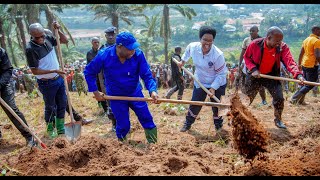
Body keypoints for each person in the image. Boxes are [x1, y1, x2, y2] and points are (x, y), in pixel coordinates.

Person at [84, 32, 159, 143]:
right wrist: (95, 92)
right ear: (119, 46)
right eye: (130, 49)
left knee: (146, 117)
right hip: (116, 96)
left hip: (135, 93)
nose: (133, 51)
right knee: (123, 124)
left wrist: (152, 91)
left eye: (134, 48)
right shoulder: (104, 55)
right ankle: (122, 147)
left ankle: (153, 144)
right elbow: (89, 72)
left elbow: (146, 75)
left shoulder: (138, 55)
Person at [243, 26, 304, 129]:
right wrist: (253, 69)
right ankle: (238, 118)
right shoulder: (255, 44)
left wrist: (298, 75)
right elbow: (247, 58)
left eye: (280, 40)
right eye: (276, 40)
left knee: (279, 98)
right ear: (268, 37)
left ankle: (278, 119)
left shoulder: (282, 47)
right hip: (255, 74)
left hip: (272, 75)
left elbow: (290, 61)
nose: (279, 43)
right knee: (246, 99)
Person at [177, 26, 228, 132]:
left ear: (213, 41)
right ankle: (188, 124)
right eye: (205, 40)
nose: (207, 43)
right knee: (195, 103)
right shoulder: (193, 47)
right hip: (200, 81)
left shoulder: (218, 55)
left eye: (210, 41)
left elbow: (222, 74)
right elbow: (187, 52)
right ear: (200, 39)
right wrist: (182, 62)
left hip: (217, 83)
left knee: (217, 106)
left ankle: (219, 126)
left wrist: (213, 88)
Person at [25, 22, 68, 138]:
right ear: (32, 36)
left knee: (62, 103)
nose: (40, 39)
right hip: (46, 82)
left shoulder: (48, 38)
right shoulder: (30, 49)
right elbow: (35, 71)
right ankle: (50, 128)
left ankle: (60, 127)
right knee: (50, 106)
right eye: (37, 37)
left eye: (42, 35)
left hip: (58, 79)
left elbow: (64, 40)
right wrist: (54, 71)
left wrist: (58, 30)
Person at [0, 47, 35, 147]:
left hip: (3, 84)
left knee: (11, 109)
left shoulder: (1, 52)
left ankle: (29, 136)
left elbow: (8, 69)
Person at [86, 35, 117, 131]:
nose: (96, 44)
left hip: (104, 76)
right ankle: (108, 112)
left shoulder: (103, 51)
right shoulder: (90, 53)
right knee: (102, 93)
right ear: (92, 43)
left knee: (109, 96)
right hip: (95, 76)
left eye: (97, 42)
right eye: (95, 42)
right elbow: (89, 67)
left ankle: (111, 114)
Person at [236, 25, 267, 105]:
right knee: (247, 82)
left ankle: (264, 100)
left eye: (253, 31)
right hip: (248, 64)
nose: (251, 32)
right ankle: (246, 101)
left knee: (260, 84)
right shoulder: (246, 40)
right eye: (250, 31)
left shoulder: (262, 40)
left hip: (259, 65)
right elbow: (243, 53)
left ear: (257, 31)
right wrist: (240, 64)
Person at [290, 26, 320, 104]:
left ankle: (300, 101)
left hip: (304, 64)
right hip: (312, 65)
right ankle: (294, 98)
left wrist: (299, 64)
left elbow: (301, 53)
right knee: (310, 84)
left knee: (305, 83)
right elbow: (317, 55)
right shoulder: (316, 41)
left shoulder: (306, 40)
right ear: (316, 30)